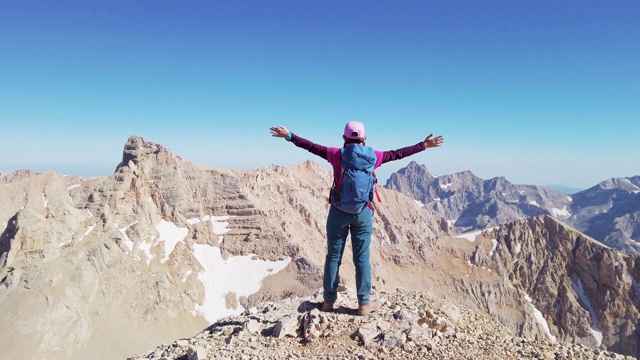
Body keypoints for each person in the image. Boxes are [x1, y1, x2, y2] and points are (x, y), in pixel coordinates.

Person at [270, 122, 444, 315]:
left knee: (333, 257)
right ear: (364, 139)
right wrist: (423, 145)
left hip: (338, 212)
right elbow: (397, 154)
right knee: (362, 259)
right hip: (363, 212)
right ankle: (364, 304)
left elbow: (311, 146)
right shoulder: (375, 156)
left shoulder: (336, 154)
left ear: (344, 138)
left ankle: (328, 302)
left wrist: (289, 135)